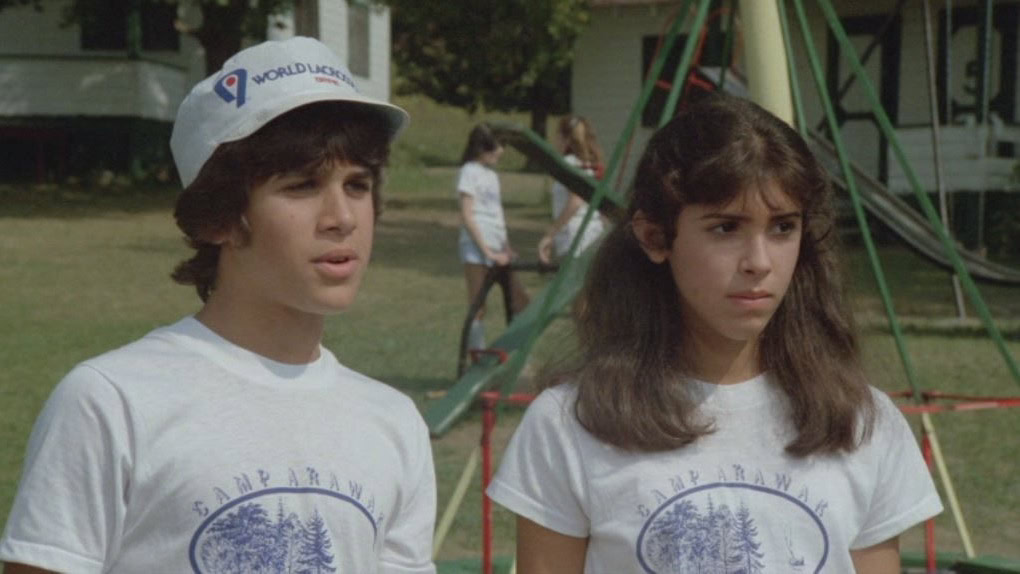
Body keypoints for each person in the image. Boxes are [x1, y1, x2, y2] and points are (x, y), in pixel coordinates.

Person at [0, 37, 436, 574]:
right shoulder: (112, 402)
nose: (341, 217)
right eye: (302, 186)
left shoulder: (394, 423)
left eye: (358, 184)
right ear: (219, 218)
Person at [487, 95, 943, 573]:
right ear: (655, 237)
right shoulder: (569, 424)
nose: (760, 262)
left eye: (783, 227)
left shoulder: (861, 422)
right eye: (727, 227)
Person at [457, 123, 529, 350]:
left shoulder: (492, 175)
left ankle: (514, 356)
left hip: (498, 246)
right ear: (482, 148)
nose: (501, 151)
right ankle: (476, 361)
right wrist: (486, 250)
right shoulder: (468, 171)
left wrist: (505, 247)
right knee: (478, 306)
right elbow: (468, 215)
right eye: (498, 146)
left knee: (520, 301)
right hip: (475, 247)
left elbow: (497, 215)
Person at [537, 115, 608, 265]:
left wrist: (550, 235)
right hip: (593, 234)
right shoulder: (590, 165)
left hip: (575, 237)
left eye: (557, 135)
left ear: (565, 138)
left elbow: (575, 201)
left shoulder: (568, 163)